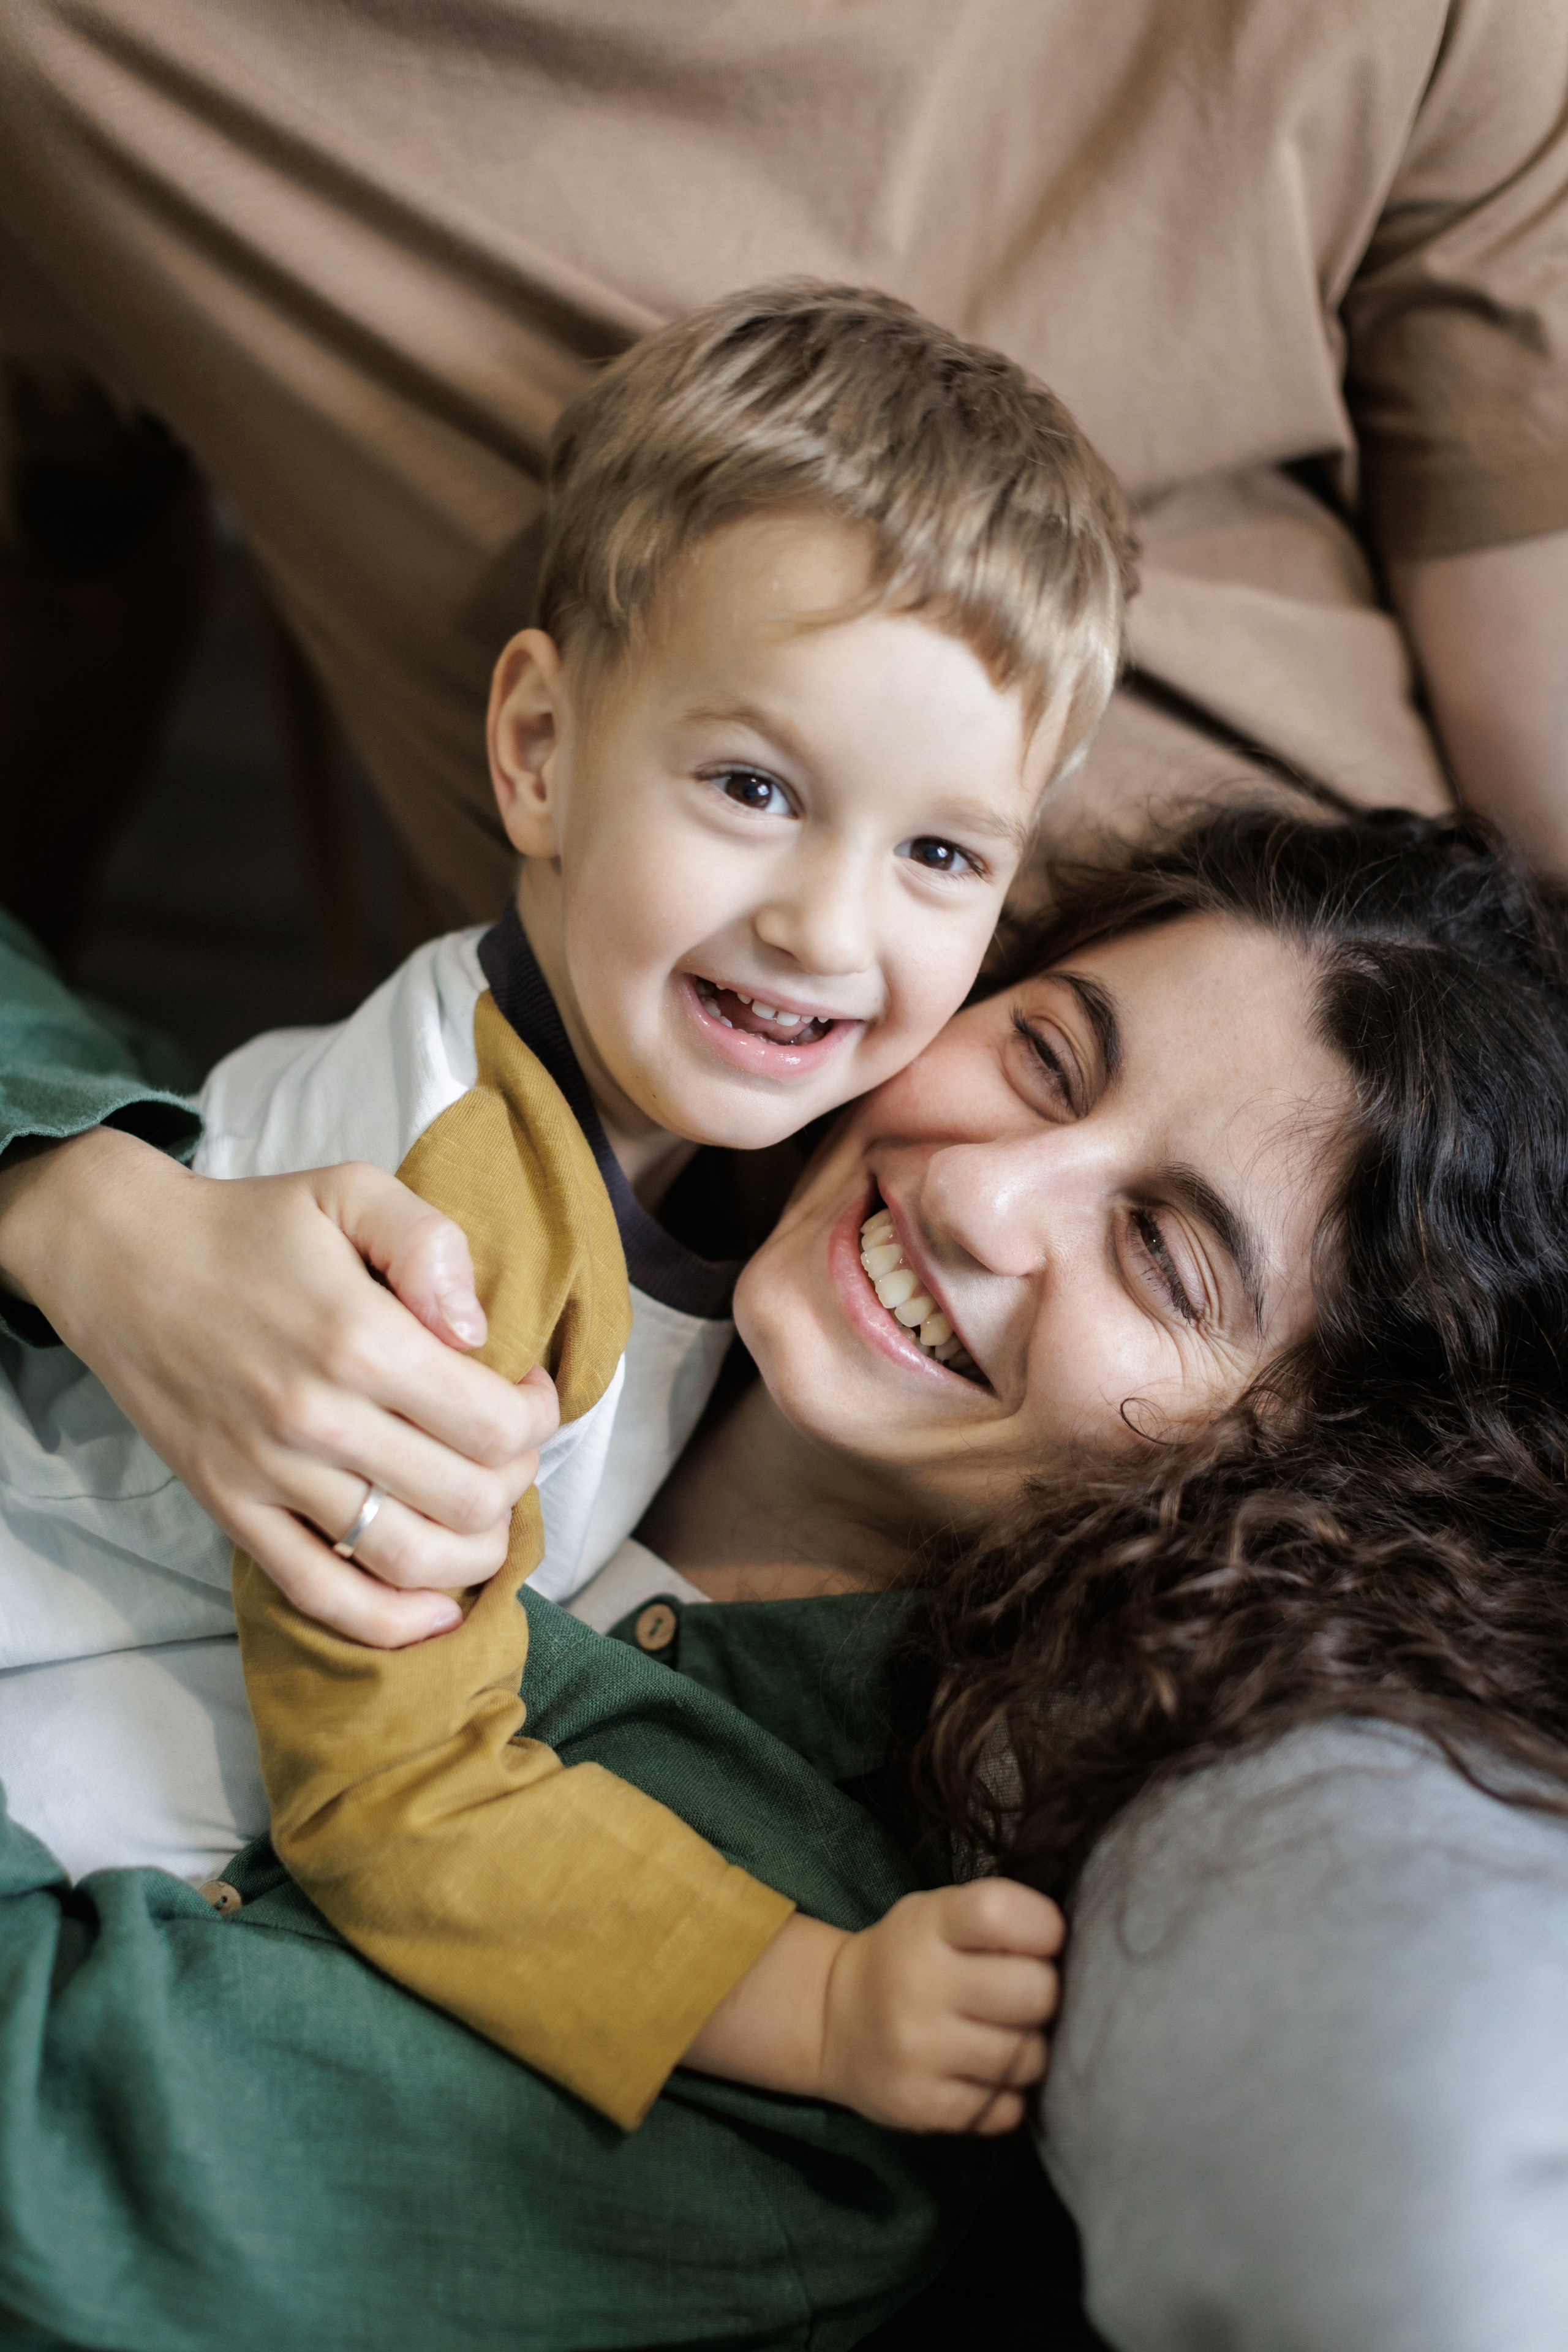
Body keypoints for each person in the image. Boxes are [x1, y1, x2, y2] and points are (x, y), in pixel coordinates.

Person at [3, 0, 1566, 1675]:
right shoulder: (494, 1193)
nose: (828, 926)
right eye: (754, 792)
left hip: (1391, 1197)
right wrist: (74, 1195)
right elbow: (387, 1764)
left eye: (948, 855)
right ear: (538, 750)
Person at [8, 799, 1568, 2352]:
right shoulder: (523, 1157)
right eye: (1043, 1058)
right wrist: (79, 1203)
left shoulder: (812, 2067)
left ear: (1289, 1487)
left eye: (1162, 1255)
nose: (975, 1193)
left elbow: (59, 2139)